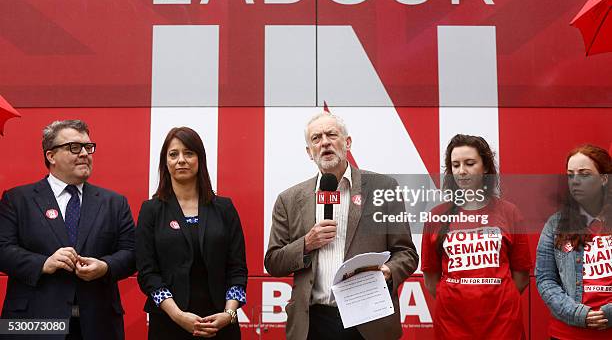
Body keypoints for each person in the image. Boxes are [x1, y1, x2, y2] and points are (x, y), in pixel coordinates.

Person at [264, 112, 419, 340]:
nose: (324, 142)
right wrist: (306, 243)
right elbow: (274, 262)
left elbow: (406, 254)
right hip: (313, 324)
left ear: (347, 142)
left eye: (331, 134)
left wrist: (386, 271)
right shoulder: (289, 200)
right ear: (309, 152)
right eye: (316, 138)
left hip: (368, 320)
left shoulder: (382, 188)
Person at [0, 119, 136, 340]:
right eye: (74, 147)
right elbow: (3, 249)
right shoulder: (17, 199)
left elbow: (132, 253)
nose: (84, 153)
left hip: (98, 324)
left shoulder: (114, 202)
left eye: (88, 147)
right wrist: (43, 263)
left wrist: (105, 267)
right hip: (33, 322)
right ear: (50, 156)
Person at [136, 127, 247, 339]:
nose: (181, 160)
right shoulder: (151, 210)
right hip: (168, 323)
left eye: (189, 153)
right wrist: (177, 315)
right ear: (165, 162)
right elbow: (148, 273)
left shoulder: (224, 208)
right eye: (173, 154)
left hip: (221, 325)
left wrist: (229, 313)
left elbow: (238, 269)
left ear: (200, 159)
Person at [420, 134, 532, 339]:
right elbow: (431, 278)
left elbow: (522, 275)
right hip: (452, 324)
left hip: (503, 324)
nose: (461, 171)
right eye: (455, 165)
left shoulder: (509, 212)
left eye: (469, 163)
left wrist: (498, 300)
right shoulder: (437, 216)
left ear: (486, 167)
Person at [536, 144, 612, 339]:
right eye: (570, 175)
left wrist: (609, 313)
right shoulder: (556, 224)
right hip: (566, 333)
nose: (575, 181)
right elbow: (545, 279)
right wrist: (577, 314)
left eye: (584, 174)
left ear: (604, 179)